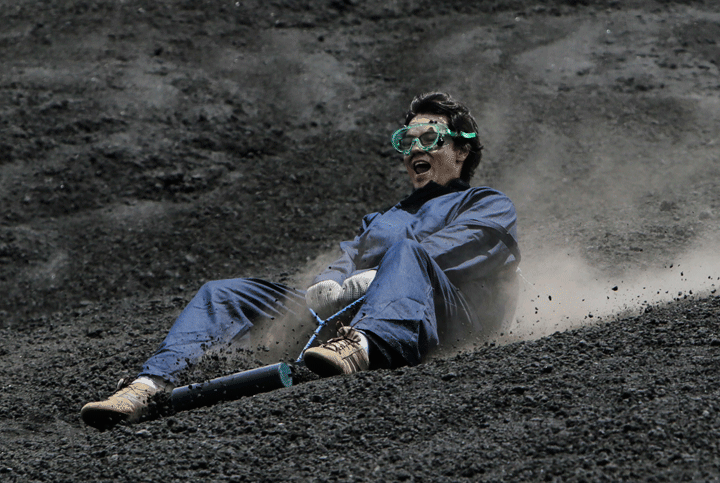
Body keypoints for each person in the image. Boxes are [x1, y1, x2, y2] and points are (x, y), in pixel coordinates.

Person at [80, 91, 520, 429]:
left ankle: (362, 345)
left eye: (429, 138)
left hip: (441, 318)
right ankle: (147, 386)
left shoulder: (485, 203)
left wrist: (382, 275)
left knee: (408, 253)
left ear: (461, 151)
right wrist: (329, 283)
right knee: (225, 293)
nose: (414, 149)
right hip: (357, 314)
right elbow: (347, 259)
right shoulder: (384, 218)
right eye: (406, 140)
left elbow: (469, 246)